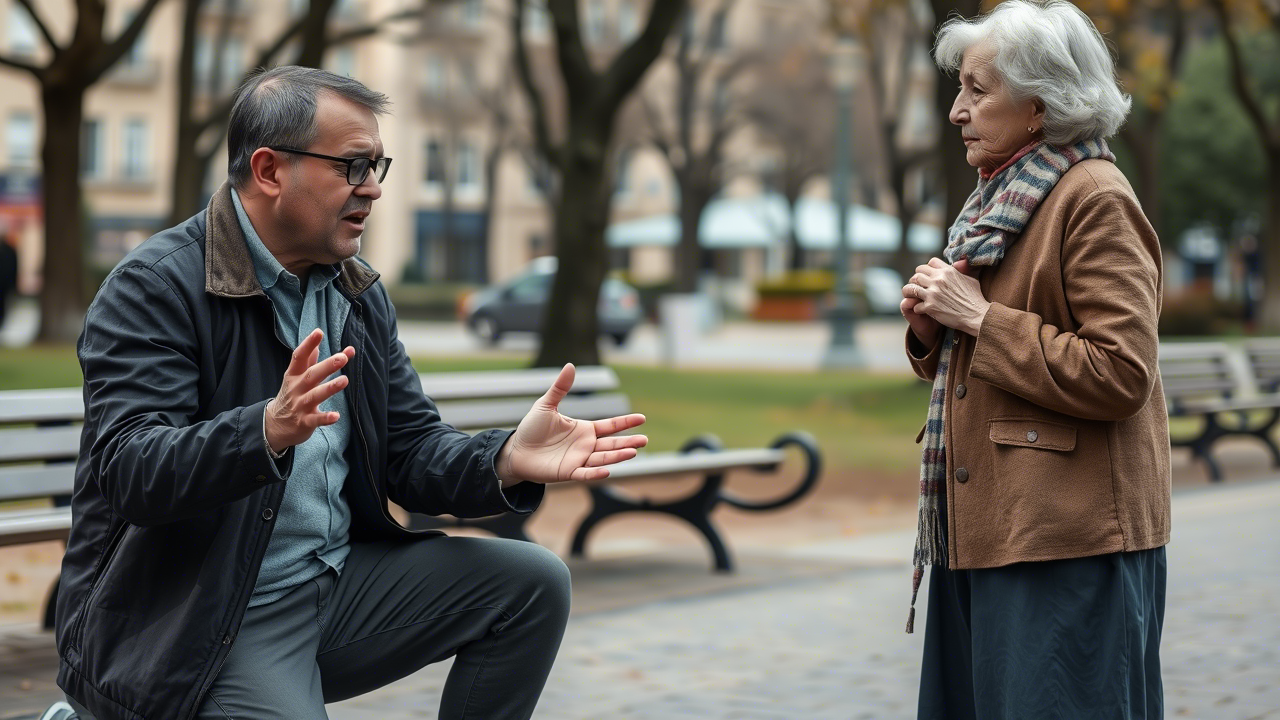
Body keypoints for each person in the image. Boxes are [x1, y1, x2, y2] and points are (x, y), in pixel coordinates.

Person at [52, 66, 647, 720]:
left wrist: (503, 459)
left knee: (532, 586)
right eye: (353, 166)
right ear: (271, 170)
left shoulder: (354, 292)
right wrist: (265, 431)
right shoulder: (154, 287)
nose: (372, 189)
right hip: (204, 619)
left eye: (377, 167)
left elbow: (409, 452)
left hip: (337, 587)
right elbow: (131, 470)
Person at [900, 2, 1170, 718]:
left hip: (1067, 544)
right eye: (960, 88)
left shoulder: (1094, 198)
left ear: (1043, 103)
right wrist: (936, 332)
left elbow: (1121, 372)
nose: (958, 111)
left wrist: (980, 319)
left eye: (978, 90)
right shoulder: (998, 203)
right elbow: (985, 365)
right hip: (987, 531)